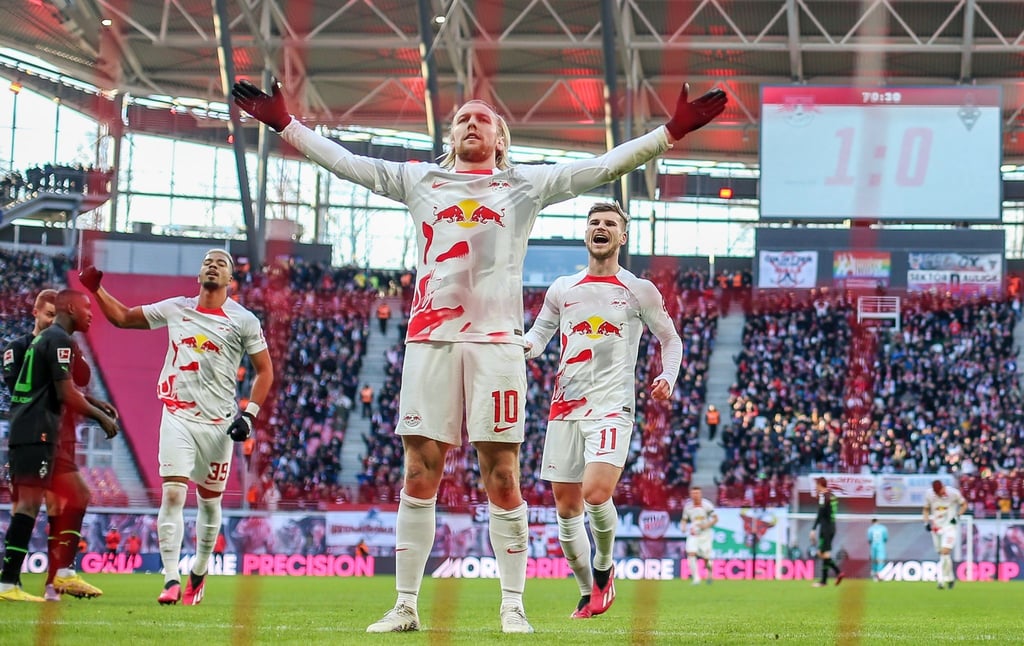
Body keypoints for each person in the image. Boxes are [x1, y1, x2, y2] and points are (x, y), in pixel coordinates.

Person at [233, 75, 726, 634]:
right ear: (451, 133)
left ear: (500, 138)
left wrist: (670, 133)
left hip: (496, 346)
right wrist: (284, 124)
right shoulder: (420, 180)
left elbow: (602, 168)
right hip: (429, 340)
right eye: (463, 117)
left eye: (483, 118)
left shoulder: (523, 186)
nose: (471, 122)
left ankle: (512, 604)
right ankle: (405, 605)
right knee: (419, 471)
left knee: (502, 476)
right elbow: (347, 163)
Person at [78, 248, 273, 606]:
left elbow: (265, 370)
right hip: (177, 417)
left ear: (231, 280)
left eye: (222, 264)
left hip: (218, 427)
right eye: (207, 262)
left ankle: (198, 571)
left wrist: (248, 416)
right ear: (199, 275)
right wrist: (96, 290)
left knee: (210, 506)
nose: (213, 266)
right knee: (172, 495)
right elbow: (122, 318)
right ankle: (170, 578)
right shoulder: (176, 308)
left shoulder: (243, 320)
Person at [522, 201, 682, 618]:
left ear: (621, 237)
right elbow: (541, 333)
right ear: (586, 233)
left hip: (612, 407)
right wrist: (525, 346)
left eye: (610, 223)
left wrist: (668, 376)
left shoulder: (639, 289)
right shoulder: (563, 288)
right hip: (564, 408)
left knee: (595, 493)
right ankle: (588, 590)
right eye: (594, 222)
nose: (601, 227)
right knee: (566, 508)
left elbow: (671, 339)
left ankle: (604, 568)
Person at [0, 289, 119, 602]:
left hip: (48, 436)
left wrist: (92, 401)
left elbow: (72, 381)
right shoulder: (45, 341)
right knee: (28, 505)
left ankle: (61, 575)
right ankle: (8, 583)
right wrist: (99, 416)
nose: (92, 314)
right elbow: (63, 392)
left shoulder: (55, 339)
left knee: (76, 495)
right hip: (34, 432)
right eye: (86, 308)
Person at [924, 479, 967, 590]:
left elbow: (964, 505)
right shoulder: (929, 494)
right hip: (936, 528)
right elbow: (926, 509)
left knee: (945, 552)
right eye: (938, 493)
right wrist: (926, 522)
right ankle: (951, 578)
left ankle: (941, 580)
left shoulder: (954, 493)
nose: (940, 494)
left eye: (941, 491)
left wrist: (957, 516)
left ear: (943, 487)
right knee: (943, 555)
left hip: (949, 527)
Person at [681, 486, 718, 586]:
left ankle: (710, 572)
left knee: (706, 558)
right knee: (691, 553)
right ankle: (696, 579)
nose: (695, 495)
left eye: (697, 493)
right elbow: (684, 519)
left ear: (700, 494)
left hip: (705, 535)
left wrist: (706, 525)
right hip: (694, 534)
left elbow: (715, 519)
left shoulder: (707, 505)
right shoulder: (688, 507)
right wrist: (683, 527)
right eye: (693, 493)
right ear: (691, 494)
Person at [810, 476, 843, 587]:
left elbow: (820, 513)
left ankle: (835, 574)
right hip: (832, 527)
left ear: (820, 485)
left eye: (816, 485)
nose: (816, 487)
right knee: (825, 553)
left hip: (825, 528)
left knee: (821, 553)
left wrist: (813, 529)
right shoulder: (832, 496)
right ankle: (826, 579)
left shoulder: (823, 496)